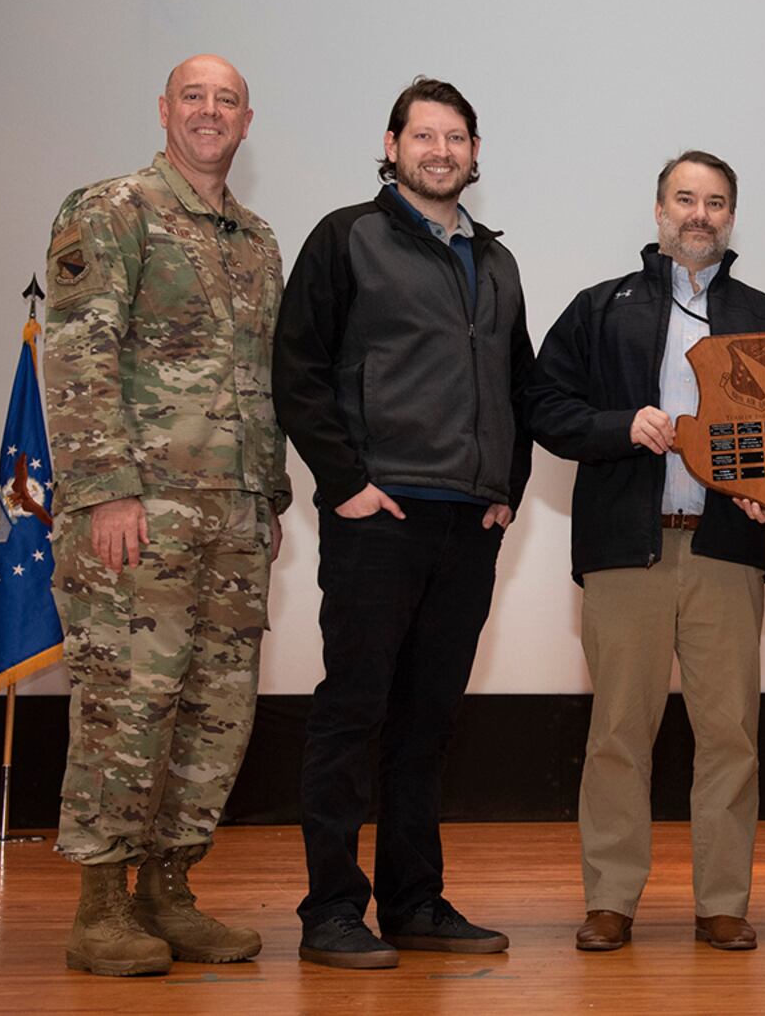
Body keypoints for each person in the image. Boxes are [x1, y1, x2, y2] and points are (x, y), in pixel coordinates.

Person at [273, 76, 533, 969]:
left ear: (474, 154)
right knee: (353, 712)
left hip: (469, 523)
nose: (441, 150)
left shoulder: (496, 262)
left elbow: (517, 384)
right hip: (378, 515)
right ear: (391, 147)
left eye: (457, 136)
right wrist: (344, 481)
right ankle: (332, 911)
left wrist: (508, 484)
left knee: (428, 719)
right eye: (424, 135)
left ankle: (415, 900)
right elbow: (297, 367)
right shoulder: (347, 237)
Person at [527, 151, 765, 953]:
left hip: (727, 548)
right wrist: (621, 425)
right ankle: (611, 899)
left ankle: (723, 901)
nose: (700, 214)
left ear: (731, 216)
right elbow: (545, 405)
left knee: (731, 734)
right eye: (685, 199)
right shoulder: (600, 308)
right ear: (658, 210)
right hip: (627, 548)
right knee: (618, 731)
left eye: (716, 201)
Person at [44, 54, 288, 976]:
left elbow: (262, 377)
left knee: (216, 709)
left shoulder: (257, 239)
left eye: (227, 100)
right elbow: (77, 351)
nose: (210, 112)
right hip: (137, 512)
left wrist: (269, 495)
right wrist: (104, 488)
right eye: (195, 96)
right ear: (165, 109)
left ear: (246, 120)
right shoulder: (110, 210)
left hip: (231, 517)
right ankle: (101, 904)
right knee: (127, 703)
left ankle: (170, 889)